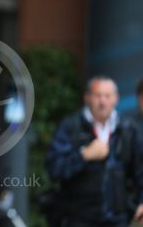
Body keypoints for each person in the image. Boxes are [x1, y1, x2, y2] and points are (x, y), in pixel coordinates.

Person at [46, 76, 143, 226]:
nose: (102, 101)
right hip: (78, 218)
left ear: (116, 99)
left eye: (107, 96)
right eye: (98, 96)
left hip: (118, 219)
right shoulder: (71, 127)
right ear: (87, 98)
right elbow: (54, 169)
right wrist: (83, 155)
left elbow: (140, 171)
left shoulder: (128, 129)